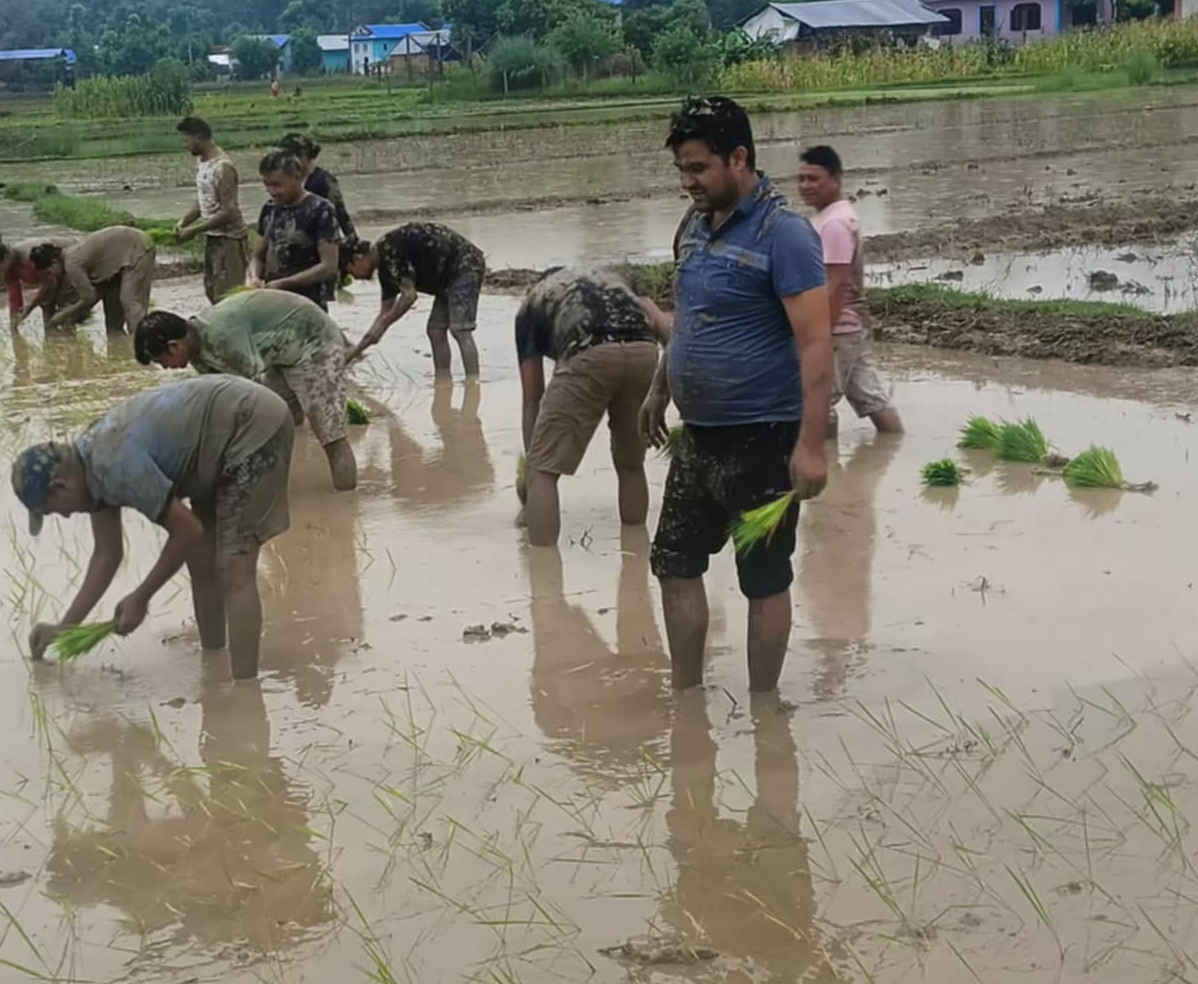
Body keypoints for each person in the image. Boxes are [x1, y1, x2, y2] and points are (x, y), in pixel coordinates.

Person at [637, 96, 833, 695]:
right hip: (697, 437)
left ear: (739, 158)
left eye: (699, 169)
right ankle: (687, 697)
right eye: (682, 171)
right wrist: (658, 388)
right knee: (673, 563)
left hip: (765, 438)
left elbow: (817, 344)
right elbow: (690, 318)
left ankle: (763, 705)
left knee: (764, 579)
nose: (688, 183)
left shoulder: (786, 235)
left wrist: (810, 446)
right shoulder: (692, 227)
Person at [14, 374, 295, 681]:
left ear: (60, 487)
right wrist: (64, 628)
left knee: (234, 568)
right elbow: (106, 555)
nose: (66, 517)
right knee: (201, 560)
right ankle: (214, 660)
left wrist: (141, 596)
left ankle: (244, 694)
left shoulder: (114, 465)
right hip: (215, 442)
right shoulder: (89, 469)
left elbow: (188, 530)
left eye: (55, 511)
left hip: (251, 424)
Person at [134, 288, 357, 491]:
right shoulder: (196, 352)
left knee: (330, 435)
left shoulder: (221, 337)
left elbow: (253, 396)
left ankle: (347, 505)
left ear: (174, 346)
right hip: (280, 351)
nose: (165, 367)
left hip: (314, 342)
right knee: (282, 420)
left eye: (161, 360)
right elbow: (219, 399)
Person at [513, 266, 659, 546]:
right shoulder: (609, 276)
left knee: (544, 471)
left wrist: (533, 466)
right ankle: (637, 553)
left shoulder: (531, 305)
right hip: (644, 349)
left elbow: (532, 397)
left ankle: (543, 574)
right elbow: (658, 323)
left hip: (589, 350)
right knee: (631, 464)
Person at [793, 146, 902, 436]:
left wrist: (819, 337)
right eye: (801, 179)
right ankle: (893, 446)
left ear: (836, 180)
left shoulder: (834, 224)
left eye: (813, 179)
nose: (805, 186)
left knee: (817, 401)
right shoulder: (830, 217)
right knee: (870, 397)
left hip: (836, 329)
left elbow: (834, 285)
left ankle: (825, 463)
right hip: (849, 327)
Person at [344, 222, 486, 378]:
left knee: (460, 329)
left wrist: (385, 322)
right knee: (435, 330)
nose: (355, 278)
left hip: (465, 264)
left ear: (357, 259)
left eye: (349, 271)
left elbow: (409, 296)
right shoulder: (385, 271)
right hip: (445, 277)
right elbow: (384, 314)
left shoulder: (389, 248)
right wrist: (355, 352)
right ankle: (443, 379)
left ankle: (473, 383)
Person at [251, 149, 342, 309]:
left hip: (307, 303)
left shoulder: (320, 209)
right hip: (273, 299)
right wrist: (254, 278)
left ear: (297, 178)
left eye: (277, 185)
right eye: (267, 184)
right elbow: (258, 256)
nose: (272, 191)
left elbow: (328, 266)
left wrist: (285, 283)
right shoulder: (269, 208)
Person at [173, 115, 248, 305]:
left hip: (229, 238)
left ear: (198, 138)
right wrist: (184, 221)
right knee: (211, 288)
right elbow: (204, 200)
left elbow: (229, 211)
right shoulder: (202, 163)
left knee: (229, 296)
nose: (185, 145)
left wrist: (195, 230)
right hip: (214, 237)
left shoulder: (222, 168)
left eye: (186, 140)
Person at [41, 225, 157, 336]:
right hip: (115, 267)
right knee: (113, 324)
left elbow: (89, 297)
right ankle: (119, 351)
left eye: (49, 273)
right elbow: (98, 291)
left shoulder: (71, 263)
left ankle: (143, 342)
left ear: (54, 263)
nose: (50, 277)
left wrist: (60, 316)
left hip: (137, 246)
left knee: (129, 300)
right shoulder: (73, 257)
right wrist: (73, 315)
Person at [279, 132, 359, 258]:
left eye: (297, 156)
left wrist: (354, 245)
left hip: (323, 243)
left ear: (308, 156)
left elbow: (341, 213)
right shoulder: (289, 180)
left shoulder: (324, 180)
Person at [0, 234, 57, 328]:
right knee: (48, 316)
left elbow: (49, 284)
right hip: (50, 281)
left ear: (6, 257)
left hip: (66, 272)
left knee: (66, 315)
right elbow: (14, 298)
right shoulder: (9, 269)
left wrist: (30, 308)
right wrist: (14, 326)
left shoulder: (31, 256)